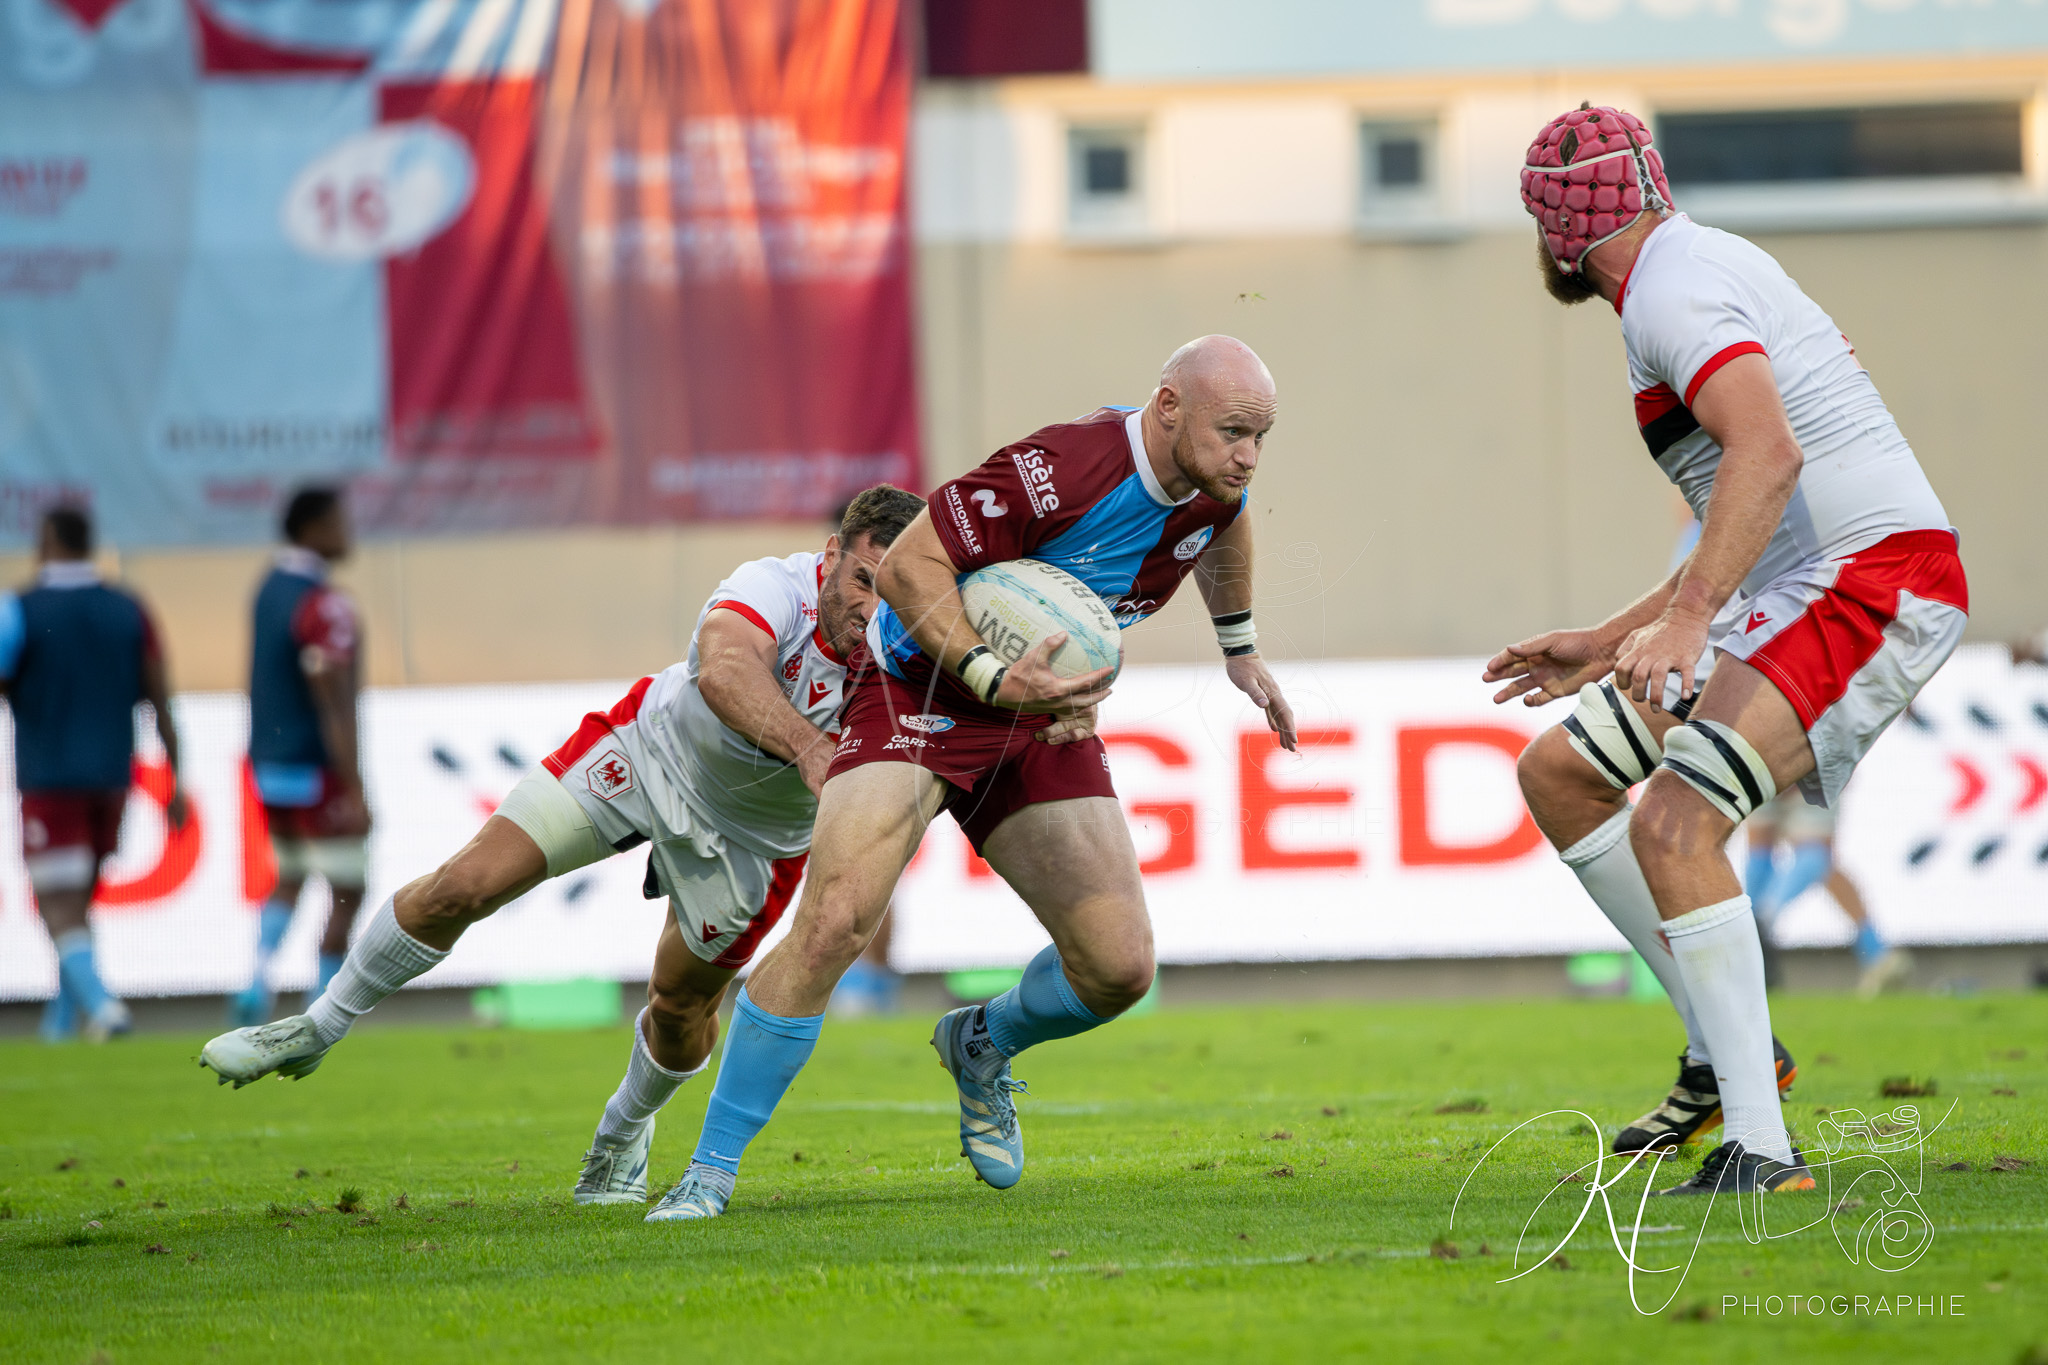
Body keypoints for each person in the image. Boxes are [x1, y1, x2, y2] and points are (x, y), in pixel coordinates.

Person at [645, 334, 1298, 1221]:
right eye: (1234, 432)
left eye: (1261, 436)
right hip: (918, 690)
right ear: (1169, 407)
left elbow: (1229, 519)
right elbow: (912, 564)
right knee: (834, 922)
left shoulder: (1217, 479)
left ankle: (982, 1042)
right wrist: (993, 678)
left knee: (1118, 967)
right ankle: (710, 1172)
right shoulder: (1062, 467)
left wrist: (1240, 647)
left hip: (1037, 715)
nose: (1247, 456)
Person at [198, 486, 927, 1210]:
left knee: (678, 1010)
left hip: (756, 841)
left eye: (891, 589)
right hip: (649, 753)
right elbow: (725, 667)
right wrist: (807, 745)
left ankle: (624, 1132)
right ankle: (316, 1026)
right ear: (832, 556)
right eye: (863, 580)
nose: (873, 607)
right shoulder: (775, 584)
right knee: (464, 884)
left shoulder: (909, 649)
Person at [1488, 104, 1967, 1196]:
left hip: (1869, 581)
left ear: (1558, 231)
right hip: (1796, 582)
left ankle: (1763, 1147)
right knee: (1560, 773)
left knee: (1672, 820)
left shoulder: (1668, 287)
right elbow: (1744, 507)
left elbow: (1767, 453)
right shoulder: (1685, 269)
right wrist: (1611, 636)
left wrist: (1690, 616)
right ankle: (1718, 1055)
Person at [1, 505, 187, 1042]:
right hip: (112, 775)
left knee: (56, 904)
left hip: (48, 777)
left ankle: (104, 1007)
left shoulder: (18, 609)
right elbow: (160, 699)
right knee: (79, 903)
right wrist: (176, 778)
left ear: (48, 538)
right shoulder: (129, 609)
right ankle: (61, 1021)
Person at [231, 487, 372, 1025]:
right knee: (348, 886)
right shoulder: (324, 602)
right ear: (312, 528)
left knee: (289, 874)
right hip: (317, 766)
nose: (348, 533)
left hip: (270, 762)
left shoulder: (267, 588)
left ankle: (257, 979)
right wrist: (354, 783)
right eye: (340, 522)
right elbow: (331, 698)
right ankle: (321, 1007)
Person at [1743, 788, 1908, 997]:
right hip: (1764, 764)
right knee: (1769, 843)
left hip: (1804, 766)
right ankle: (1752, 946)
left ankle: (1758, 925)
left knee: (1813, 849)